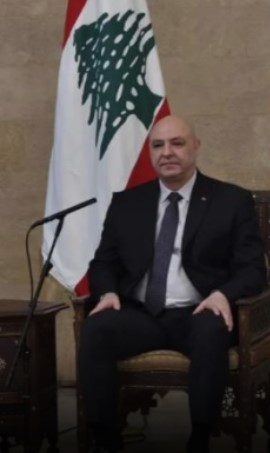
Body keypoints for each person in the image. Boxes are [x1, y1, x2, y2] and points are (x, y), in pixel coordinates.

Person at [77, 115, 267, 453]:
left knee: (212, 327)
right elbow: (103, 262)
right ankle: (105, 438)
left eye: (177, 143)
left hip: (198, 312)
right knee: (96, 328)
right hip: (141, 315)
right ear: (150, 153)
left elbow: (253, 269)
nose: (167, 152)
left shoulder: (231, 201)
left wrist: (223, 294)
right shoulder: (127, 203)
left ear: (196, 147)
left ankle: (201, 437)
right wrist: (107, 292)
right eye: (158, 145)